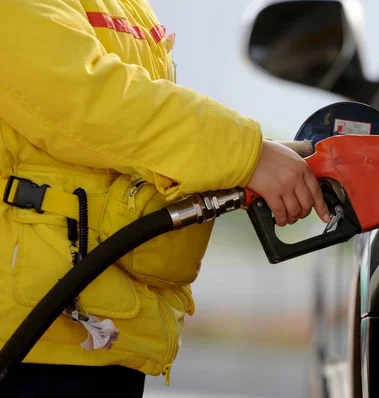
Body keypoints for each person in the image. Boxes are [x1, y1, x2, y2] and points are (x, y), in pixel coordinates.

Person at [0, 0, 331, 396]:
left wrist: (252, 158)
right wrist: (246, 154)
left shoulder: (126, 6)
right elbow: (86, 99)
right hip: (33, 334)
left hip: (93, 323)